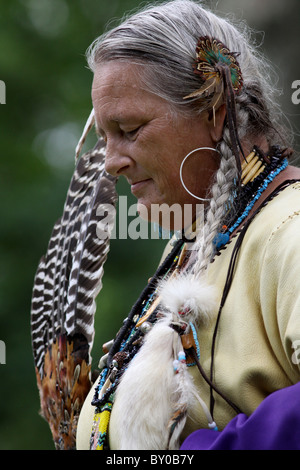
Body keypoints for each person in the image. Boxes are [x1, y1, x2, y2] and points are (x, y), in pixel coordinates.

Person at [75, 0, 300, 450]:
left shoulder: (287, 230)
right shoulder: (195, 246)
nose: (111, 164)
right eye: (104, 138)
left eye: (130, 129)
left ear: (214, 113)